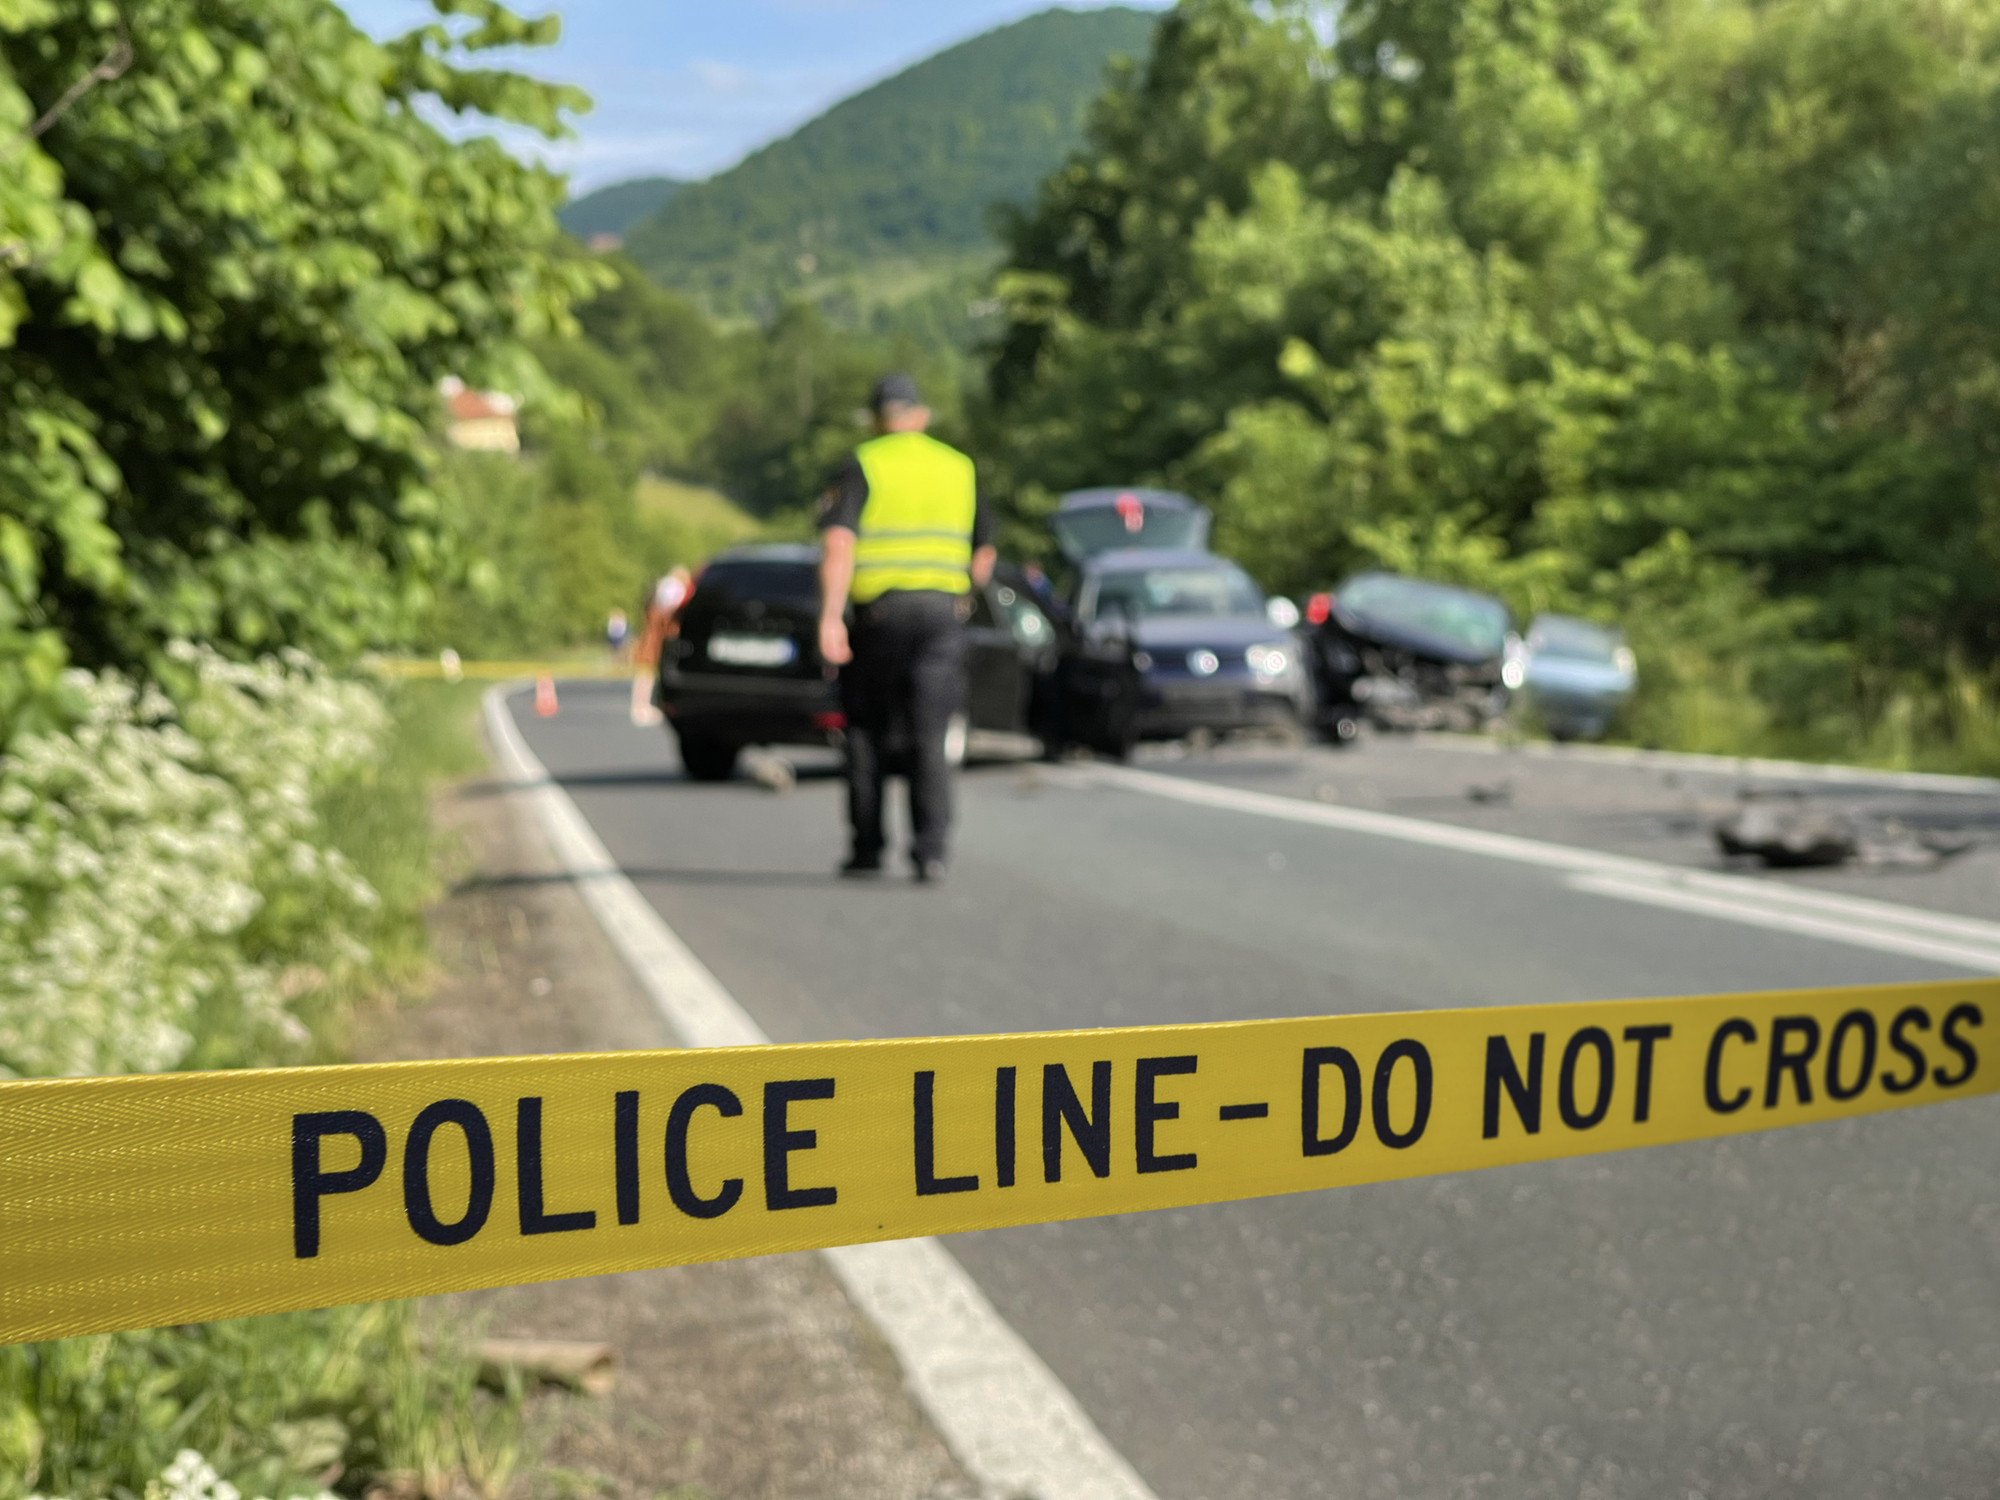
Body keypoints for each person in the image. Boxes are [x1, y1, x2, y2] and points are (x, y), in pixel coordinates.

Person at [817, 374, 994, 882]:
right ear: (919, 415)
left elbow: (839, 545)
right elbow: (983, 553)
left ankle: (869, 848)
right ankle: (930, 850)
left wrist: (830, 618)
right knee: (929, 735)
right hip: (941, 616)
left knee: (867, 734)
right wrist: (963, 598)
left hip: (880, 617)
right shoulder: (959, 468)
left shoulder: (863, 463)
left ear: (877, 419)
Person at [630, 566, 692, 726]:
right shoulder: (659, 613)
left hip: (653, 644)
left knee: (649, 676)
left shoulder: (655, 605)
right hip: (652, 646)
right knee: (646, 675)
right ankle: (640, 707)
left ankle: (645, 706)